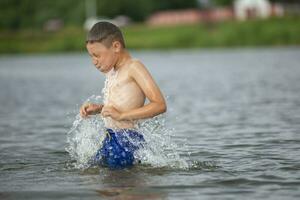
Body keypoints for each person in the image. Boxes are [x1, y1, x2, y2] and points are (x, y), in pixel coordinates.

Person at [79, 21, 167, 169]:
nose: (94, 61)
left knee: (118, 186)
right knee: (91, 173)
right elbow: (122, 104)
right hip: (110, 138)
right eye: (91, 56)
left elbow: (159, 105)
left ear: (116, 46)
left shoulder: (134, 67)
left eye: (97, 55)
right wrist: (100, 109)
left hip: (127, 140)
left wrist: (121, 115)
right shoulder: (113, 71)